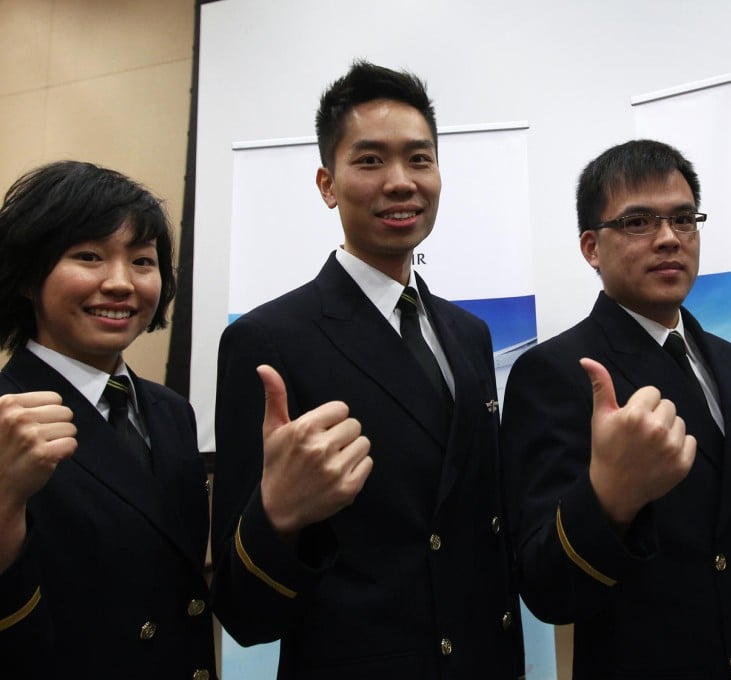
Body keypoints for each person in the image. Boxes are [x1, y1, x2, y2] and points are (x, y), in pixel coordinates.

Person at [210, 60, 524, 679]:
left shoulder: (469, 334)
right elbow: (243, 612)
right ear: (327, 184)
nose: (402, 182)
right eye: (371, 160)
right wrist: (277, 515)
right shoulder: (266, 340)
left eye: (420, 159)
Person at [500, 139, 731, 679]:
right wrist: (610, 501)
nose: (669, 238)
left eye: (683, 219)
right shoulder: (557, 373)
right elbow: (545, 587)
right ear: (591, 247)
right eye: (638, 223)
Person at [0, 160, 216, 679]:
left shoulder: (170, 411)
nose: (121, 283)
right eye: (89, 256)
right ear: (29, 276)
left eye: (142, 261)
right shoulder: (6, 417)